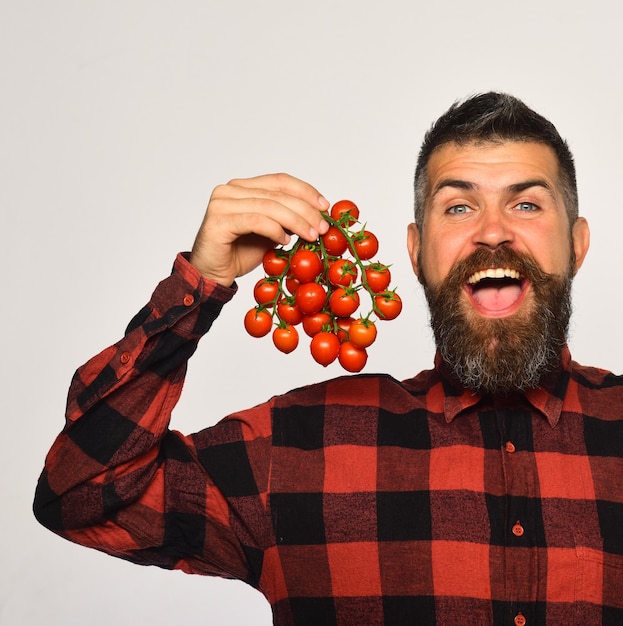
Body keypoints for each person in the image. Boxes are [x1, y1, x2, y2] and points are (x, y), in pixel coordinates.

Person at [33, 92, 623, 626]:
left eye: (525, 205)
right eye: (459, 207)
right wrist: (202, 284)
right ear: (416, 253)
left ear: (576, 244)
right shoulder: (294, 446)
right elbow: (81, 492)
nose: (493, 233)